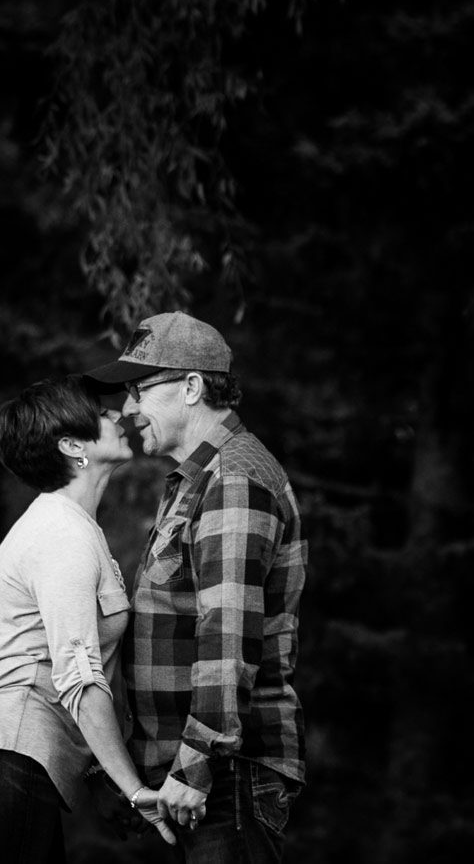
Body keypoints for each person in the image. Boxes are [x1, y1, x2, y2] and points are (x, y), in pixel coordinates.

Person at [88, 311, 307, 863]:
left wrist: (194, 762)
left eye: (140, 388)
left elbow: (226, 636)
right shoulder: (195, 481)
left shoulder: (233, 477)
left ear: (191, 387)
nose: (129, 407)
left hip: (224, 776)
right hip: (198, 777)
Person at [0, 375, 177, 861]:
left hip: (15, 755)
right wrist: (132, 789)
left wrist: (96, 776)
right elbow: (79, 675)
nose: (117, 416)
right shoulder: (61, 535)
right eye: (102, 413)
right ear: (72, 445)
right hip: (10, 749)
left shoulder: (73, 528)